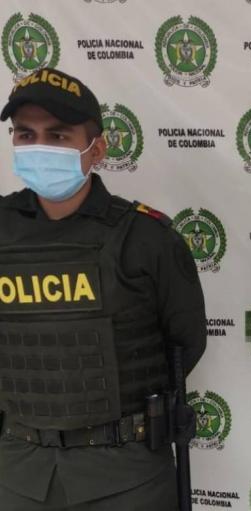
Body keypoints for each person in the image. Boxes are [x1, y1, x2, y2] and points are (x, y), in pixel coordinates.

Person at [0, 67, 207, 510]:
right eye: (25, 134)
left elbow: (184, 343)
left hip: (125, 476)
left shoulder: (147, 239)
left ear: (96, 149)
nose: (39, 147)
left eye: (58, 136)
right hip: (18, 473)